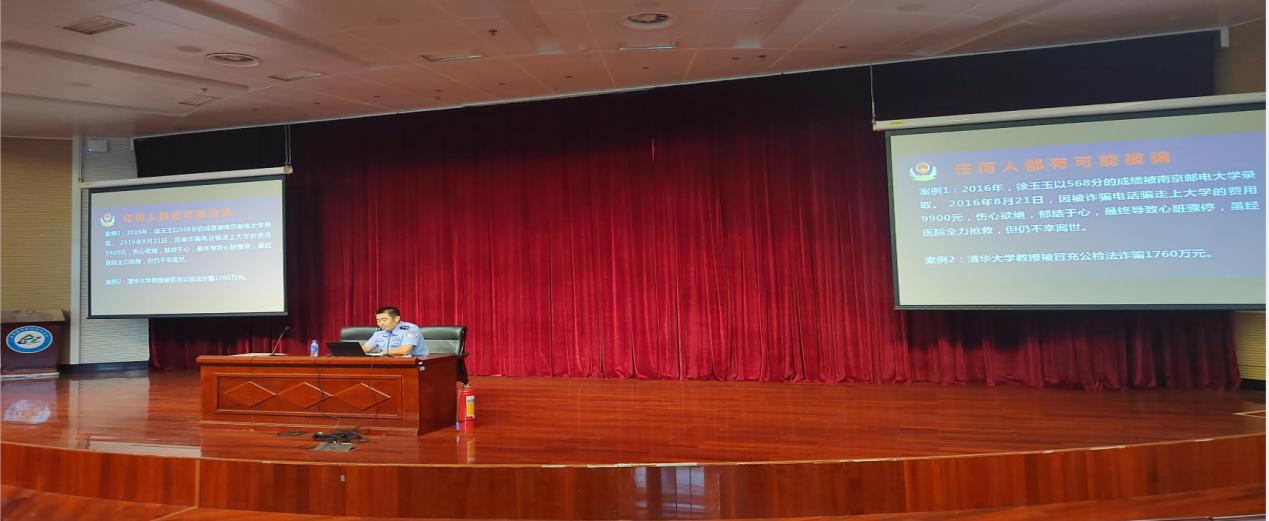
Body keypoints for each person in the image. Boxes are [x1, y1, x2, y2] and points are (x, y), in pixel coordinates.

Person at [362, 306, 428, 357]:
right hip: (388, 362)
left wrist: (385, 352)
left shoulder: (411, 329)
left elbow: (404, 351)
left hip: (415, 363)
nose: (381, 323)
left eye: (384, 320)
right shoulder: (379, 332)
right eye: (378, 320)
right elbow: (365, 348)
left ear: (397, 318)